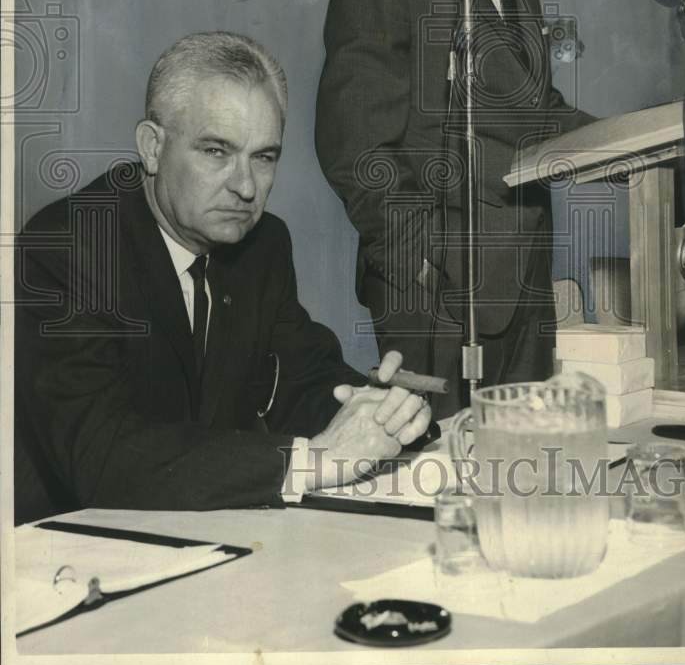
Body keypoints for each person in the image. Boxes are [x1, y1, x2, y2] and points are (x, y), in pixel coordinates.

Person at [14, 32, 431, 524]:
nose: (246, 186)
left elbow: (302, 377)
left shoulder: (262, 244)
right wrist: (314, 461)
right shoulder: (67, 247)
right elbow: (101, 456)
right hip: (77, 545)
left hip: (208, 529)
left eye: (264, 156)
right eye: (216, 151)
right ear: (152, 146)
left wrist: (384, 410)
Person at [315, 0, 594, 416]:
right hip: (435, 299)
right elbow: (354, 146)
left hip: (523, 288)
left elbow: (536, 109)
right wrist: (419, 269)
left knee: (511, 475)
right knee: (434, 482)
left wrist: (642, 135)